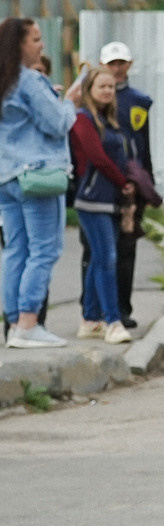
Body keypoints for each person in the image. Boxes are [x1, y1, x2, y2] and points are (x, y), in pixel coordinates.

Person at [2, 19, 74, 349]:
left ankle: (14, 322)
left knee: (15, 249)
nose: (41, 45)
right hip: (37, 174)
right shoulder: (30, 80)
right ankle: (29, 323)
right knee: (44, 249)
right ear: (20, 44)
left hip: (6, 175)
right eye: (36, 39)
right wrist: (70, 101)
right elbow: (57, 124)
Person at [66, 68, 140, 344]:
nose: (108, 91)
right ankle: (112, 321)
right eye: (102, 86)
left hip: (111, 201)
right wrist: (123, 181)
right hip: (92, 199)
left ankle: (89, 319)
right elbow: (97, 158)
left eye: (111, 86)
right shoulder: (83, 119)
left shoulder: (110, 120)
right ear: (89, 89)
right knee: (108, 257)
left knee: (100, 258)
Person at [94, 40, 153, 327]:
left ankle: (123, 308)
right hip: (101, 182)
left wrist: (147, 183)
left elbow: (143, 144)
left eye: (121, 63)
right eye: (111, 64)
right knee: (98, 249)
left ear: (129, 65)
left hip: (130, 183)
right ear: (102, 65)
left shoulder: (139, 101)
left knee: (127, 247)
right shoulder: (92, 100)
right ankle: (94, 309)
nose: (117, 69)